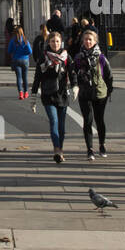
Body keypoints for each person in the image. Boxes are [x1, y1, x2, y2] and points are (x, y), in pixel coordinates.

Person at [31, 30, 78, 162]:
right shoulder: (43, 57)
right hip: (48, 94)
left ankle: (60, 150)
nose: (55, 44)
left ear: (61, 42)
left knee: (62, 125)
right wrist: (33, 97)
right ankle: (56, 149)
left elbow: (72, 72)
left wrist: (75, 85)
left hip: (62, 94)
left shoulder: (66, 57)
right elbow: (37, 78)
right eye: (52, 41)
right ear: (49, 42)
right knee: (54, 121)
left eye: (57, 41)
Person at [72, 28, 114, 160]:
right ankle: (89, 149)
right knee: (88, 120)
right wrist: (76, 86)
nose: (87, 42)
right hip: (84, 93)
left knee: (99, 119)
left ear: (95, 41)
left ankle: (102, 144)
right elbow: (74, 74)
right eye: (85, 39)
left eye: (90, 39)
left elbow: (108, 75)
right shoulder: (78, 58)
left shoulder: (101, 57)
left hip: (99, 93)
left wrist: (107, 90)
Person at [8, 25, 32, 99]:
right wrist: (24, 53)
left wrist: (15, 53)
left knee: (18, 77)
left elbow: (9, 51)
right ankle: (26, 92)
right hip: (25, 60)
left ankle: (20, 93)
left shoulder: (12, 40)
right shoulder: (25, 40)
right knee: (25, 77)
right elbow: (30, 51)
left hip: (16, 59)